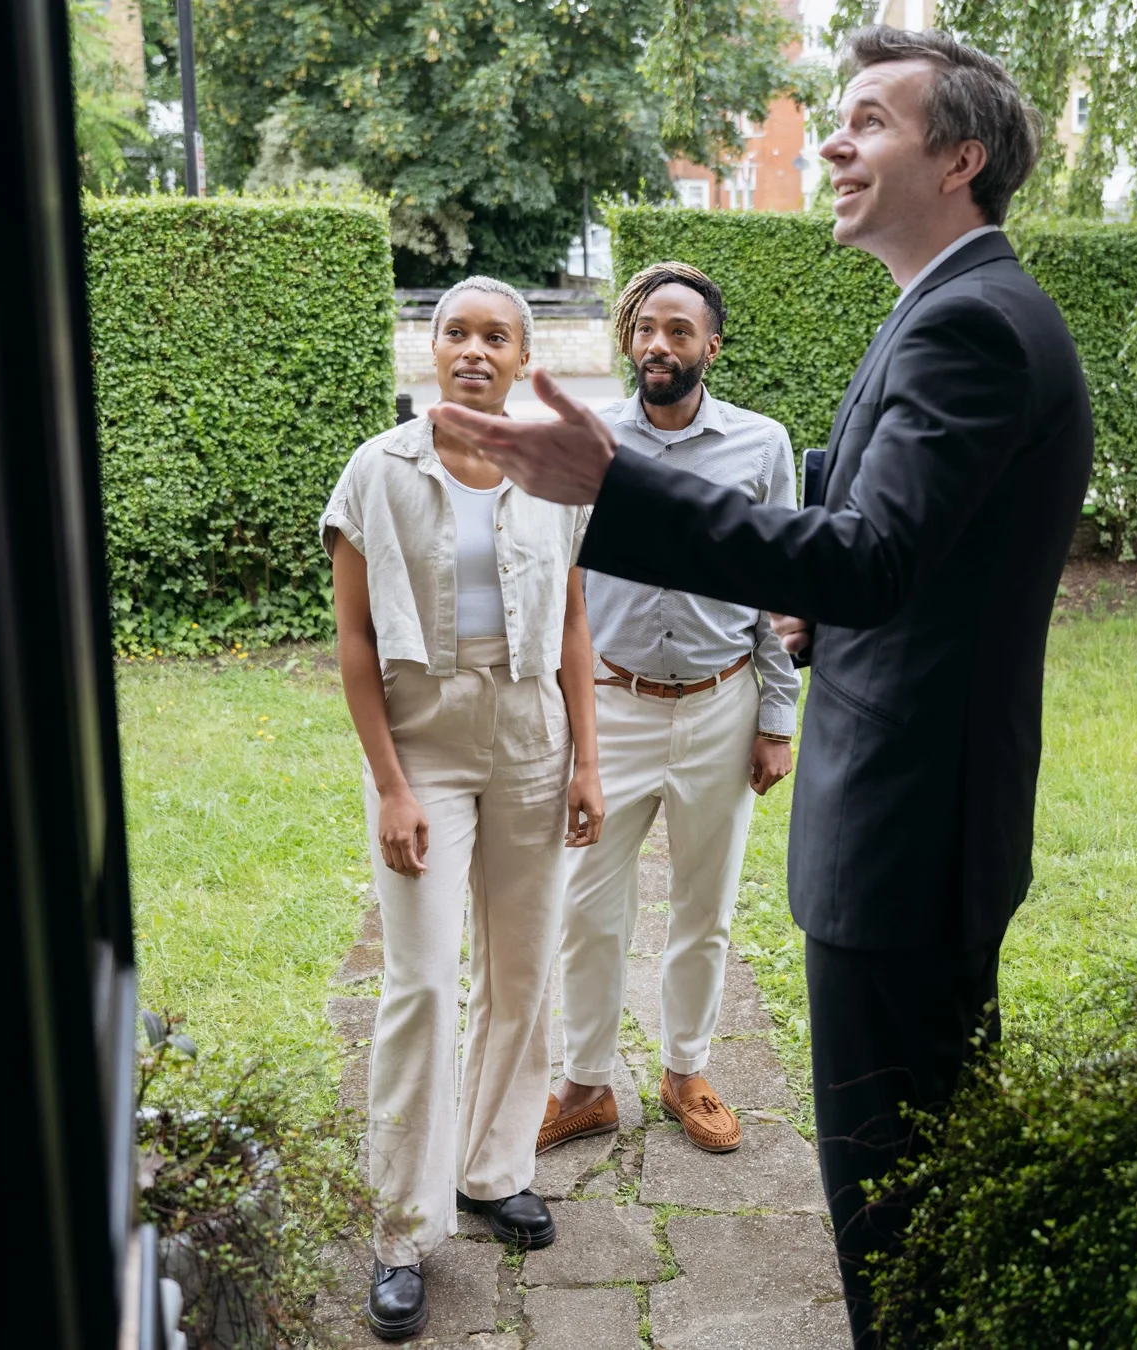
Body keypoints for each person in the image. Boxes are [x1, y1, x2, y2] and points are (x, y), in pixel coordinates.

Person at [429, 28, 1091, 1343]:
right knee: (913, 1175)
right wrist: (824, 609)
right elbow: (904, 555)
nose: (834, 143)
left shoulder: (970, 323)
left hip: (912, 827)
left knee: (897, 1192)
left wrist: (611, 486)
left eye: (869, 120)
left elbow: (874, 556)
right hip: (920, 814)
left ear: (958, 160)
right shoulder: (948, 307)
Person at [320, 276, 607, 1342]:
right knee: (423, 981)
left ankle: (493, 1171)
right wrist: (392, 785)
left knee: (522, 971)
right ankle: (400, 1229)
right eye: (456, 332)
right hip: (425, 741)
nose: (474, 350)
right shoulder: (378, 470)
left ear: (525, 358)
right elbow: (354, 640)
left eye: (496, 336)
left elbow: (573, 621)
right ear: (431, 349)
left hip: (532, 733)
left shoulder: (553, 474)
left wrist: (586, 763)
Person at [539, 262, 800, 1161]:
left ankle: (686, 1071)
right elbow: (558, 582)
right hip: (612, 707)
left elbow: (780, 582)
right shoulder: (590, 441)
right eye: (647, 328)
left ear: (710, 348)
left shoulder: (761, 445)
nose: (659, 344)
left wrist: (776, 717)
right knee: (588, 907)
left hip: (722, 706)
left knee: (705, 907)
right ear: (629, 338)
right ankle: (584, 1083)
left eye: (679, 331)